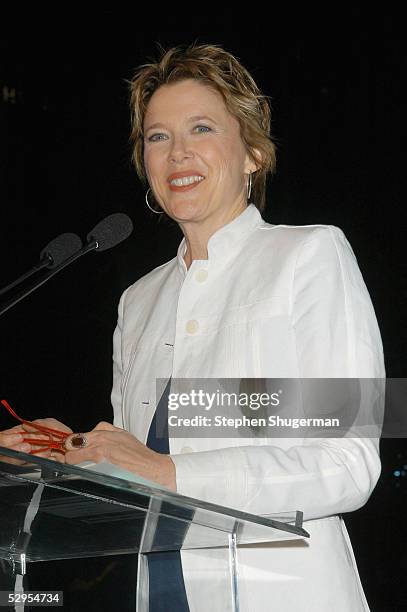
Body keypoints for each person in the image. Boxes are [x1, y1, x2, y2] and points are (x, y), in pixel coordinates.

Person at [0, 44, 384, 611]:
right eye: (157, 137)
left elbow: (348, 463)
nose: (177, 152)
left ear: (253, 151)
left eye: (200, 128)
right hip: (162, 592)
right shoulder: (139, 300)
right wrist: (61, 455)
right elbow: (137, 480)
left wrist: (165, 469)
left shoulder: (308, 255)